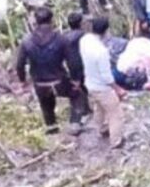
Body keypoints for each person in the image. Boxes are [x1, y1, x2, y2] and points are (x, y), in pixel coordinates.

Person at [16, 8, 83, 134]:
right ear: (51, 20)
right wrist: (75, 79)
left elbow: (19, 64)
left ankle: (51, 127)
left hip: (40, 83)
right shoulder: (61, 39)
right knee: (77, 95)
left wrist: (22, 81)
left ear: (35, 21)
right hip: (59, 80)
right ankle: (75, 123)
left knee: (46, 104)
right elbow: (72, 62)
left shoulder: (27, 41)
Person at [80, 17, 126, 150]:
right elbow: (106, 76)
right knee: (116, 114)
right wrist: (118, 89)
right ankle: (116, 141)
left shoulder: (85, 40)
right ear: (106, 31)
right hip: (102, 88)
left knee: (99, 108)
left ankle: (102, 129)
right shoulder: (101, 51)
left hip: (90, 83)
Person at [63, 12, 90, 120]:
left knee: (78, 86)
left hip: (70, 64)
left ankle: (83, 109)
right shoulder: (84, 35)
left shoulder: (65, 36)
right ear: (80, 23)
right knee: (85, 85)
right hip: (82, 62)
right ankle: (85, 110)